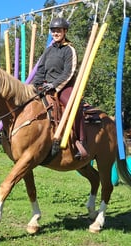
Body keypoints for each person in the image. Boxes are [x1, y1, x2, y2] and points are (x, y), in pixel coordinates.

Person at [32, 17, 88, 160]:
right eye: (53, 31)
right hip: (46, 86)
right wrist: (36, 85)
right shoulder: (48, 50)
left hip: (64, 86)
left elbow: (68, 72)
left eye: (58, 30)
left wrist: (55, 85)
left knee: (74, 107)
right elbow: (41, 69)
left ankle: (82, 142)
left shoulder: (70, 50)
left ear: (65, 31)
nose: (55, 33)